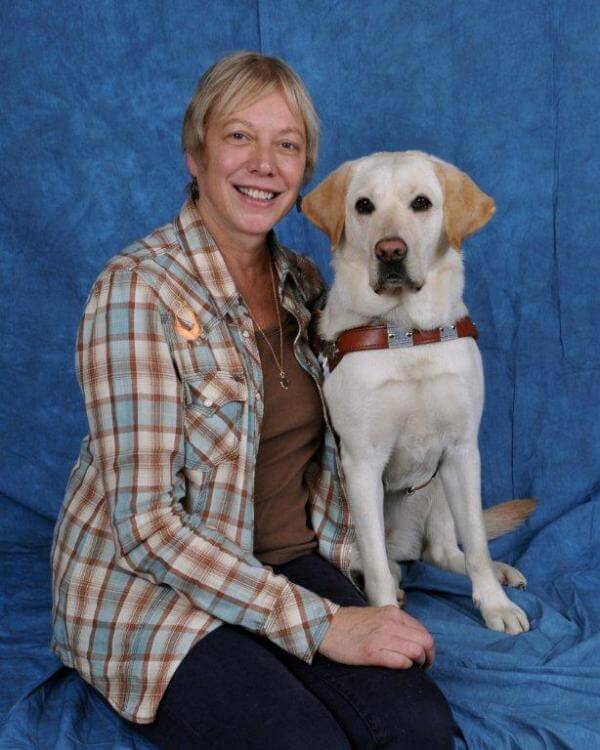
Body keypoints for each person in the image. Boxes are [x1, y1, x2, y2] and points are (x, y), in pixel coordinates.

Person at [50, 50, 461, 749]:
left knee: (420, 730)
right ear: (195, 153)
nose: (264, 163)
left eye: (287, 144)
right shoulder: (136, 292)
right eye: (240, 136)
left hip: (286, 561)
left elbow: (382, 433)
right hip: (154, 593)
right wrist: (325, 624)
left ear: (305, 171)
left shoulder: (306, 285)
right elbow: (148, 527)